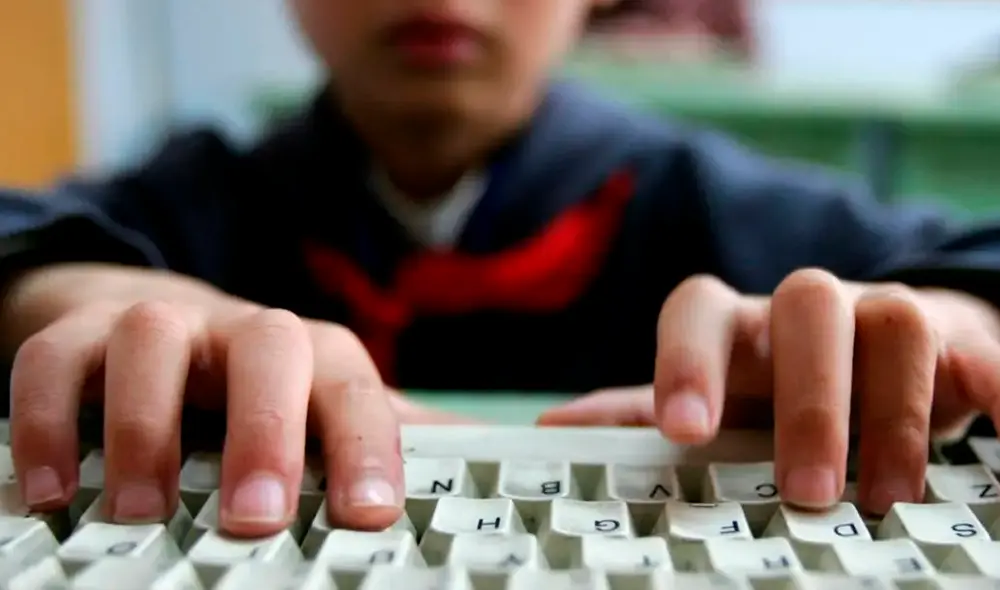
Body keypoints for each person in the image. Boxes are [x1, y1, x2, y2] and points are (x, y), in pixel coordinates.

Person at [1, 0, 1000, 540]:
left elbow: (973, 258)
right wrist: (56, 285)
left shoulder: (710, 196)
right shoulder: (192, 197)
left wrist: (955, 317)